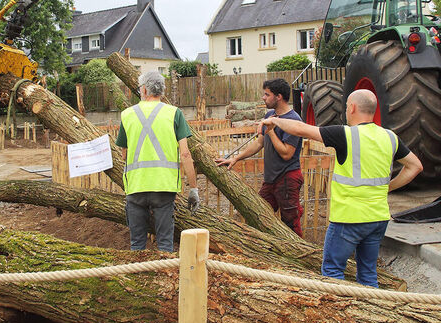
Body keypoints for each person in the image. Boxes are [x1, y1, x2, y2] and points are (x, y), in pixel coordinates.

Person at [262, 89, 423, 286]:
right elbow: (415, 166)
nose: (346, 111)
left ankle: (341, 314)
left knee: (332, 269)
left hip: (349, 219)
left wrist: (275, 121)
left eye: (347, 107)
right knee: (368, 274)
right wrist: (388, 187)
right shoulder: (390, 137)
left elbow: (301, 129)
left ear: (353, 108)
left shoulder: (345, 134)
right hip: (378, 218)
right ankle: (370, 313)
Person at [116, 71, 200, 252]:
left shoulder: (127, 115)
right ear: (161, 90)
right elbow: (185, 155)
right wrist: (193, 189)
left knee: (137, 245)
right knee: (165, 245)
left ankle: (137, 278)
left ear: (144, 89)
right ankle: (165, 277)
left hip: (136, 187)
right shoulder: (174, 113)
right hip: (164, 187)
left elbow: (124, 154)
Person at [216, 78, 305, 236]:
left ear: (278, 97)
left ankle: (298, 254)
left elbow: (286, 153)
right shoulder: (270, 114)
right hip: (271, 180)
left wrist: (271, 130)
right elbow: (259, 143)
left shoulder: (293, 120)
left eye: (266, 94)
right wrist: (235, 158)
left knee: (291, 222)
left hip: (287, 178)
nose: (263, 97)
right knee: (258, 215)